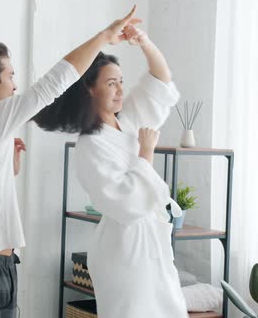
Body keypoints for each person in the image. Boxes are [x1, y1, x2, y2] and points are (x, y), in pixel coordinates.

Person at [0, 6, 142, 317]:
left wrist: (11, 163)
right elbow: (54, 83)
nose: (15, 85)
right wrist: (104, 36)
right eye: (10, 75)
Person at [33, 24, 187, 317]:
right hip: (124, 251)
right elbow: (124, 204)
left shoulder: (127, 119)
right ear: (90, 88)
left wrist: (144, 42)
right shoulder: (90, 145)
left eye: (121, 82)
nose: (120, 90)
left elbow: (161, 82)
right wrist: (145, 153)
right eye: (111, 84)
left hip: (151, 243)